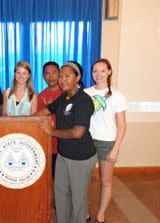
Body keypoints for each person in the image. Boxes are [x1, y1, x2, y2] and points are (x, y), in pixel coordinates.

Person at [35, 61, 97, 223]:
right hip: (64, 154)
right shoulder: (64, 96)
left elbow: (77, 132)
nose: (62, 79)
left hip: (81, 157)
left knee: (78, 198)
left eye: (67, 76)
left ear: (78, 77)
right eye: (61, 76)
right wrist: (23, 121)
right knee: (61, 193)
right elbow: (46, 110)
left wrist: (51, 132)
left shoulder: (83, 100)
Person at [84, 58, 127, 223]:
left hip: (107, 142)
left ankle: (101, 214)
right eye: (95, 71)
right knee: (82, 180)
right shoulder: (86, 93)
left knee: (106, 180)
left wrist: (116, 148)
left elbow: (122, 125)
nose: (98, 74)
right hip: (86, 141)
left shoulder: (117, 95)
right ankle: (84, 211)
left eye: (102, 70)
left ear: (109, 72)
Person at [37, 61, 62, 177]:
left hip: (65, 144)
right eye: (47, 73)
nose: (50, 76)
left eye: (54, 73)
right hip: (48, 144)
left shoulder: (67, 93)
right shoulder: (40, 96)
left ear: (59, 74)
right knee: (49, 178)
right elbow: (35, 120)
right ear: (43, 76)